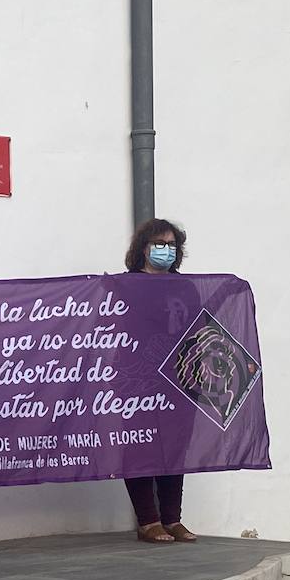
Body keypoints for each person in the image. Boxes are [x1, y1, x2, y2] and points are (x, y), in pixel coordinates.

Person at [123, 218, 198, 545]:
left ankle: (172, 519)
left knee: (174, 450)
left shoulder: (186, 287)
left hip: (179, 380)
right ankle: (148, 521)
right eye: (159, 244)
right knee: (139, 446)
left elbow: (197, 329)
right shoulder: (125, 286)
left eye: (171, 245)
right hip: (136, 379)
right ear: (143, 248)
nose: (166, 251)